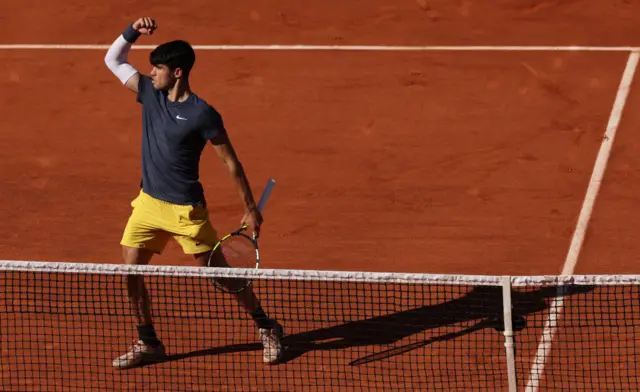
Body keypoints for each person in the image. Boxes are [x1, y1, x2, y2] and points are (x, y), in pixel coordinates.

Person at [103, 17, 283, 369]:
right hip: (148, 205)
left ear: (179, 72)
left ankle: (267, 325)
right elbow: (113, 59)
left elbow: (231, 161)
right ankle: (149, 341)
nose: (152, 73)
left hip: (187, 212)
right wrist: (132, 30)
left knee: (220, 275)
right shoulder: (149, 94)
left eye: (159, 69)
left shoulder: (202, 114)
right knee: (130, 273)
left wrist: (250, 208)